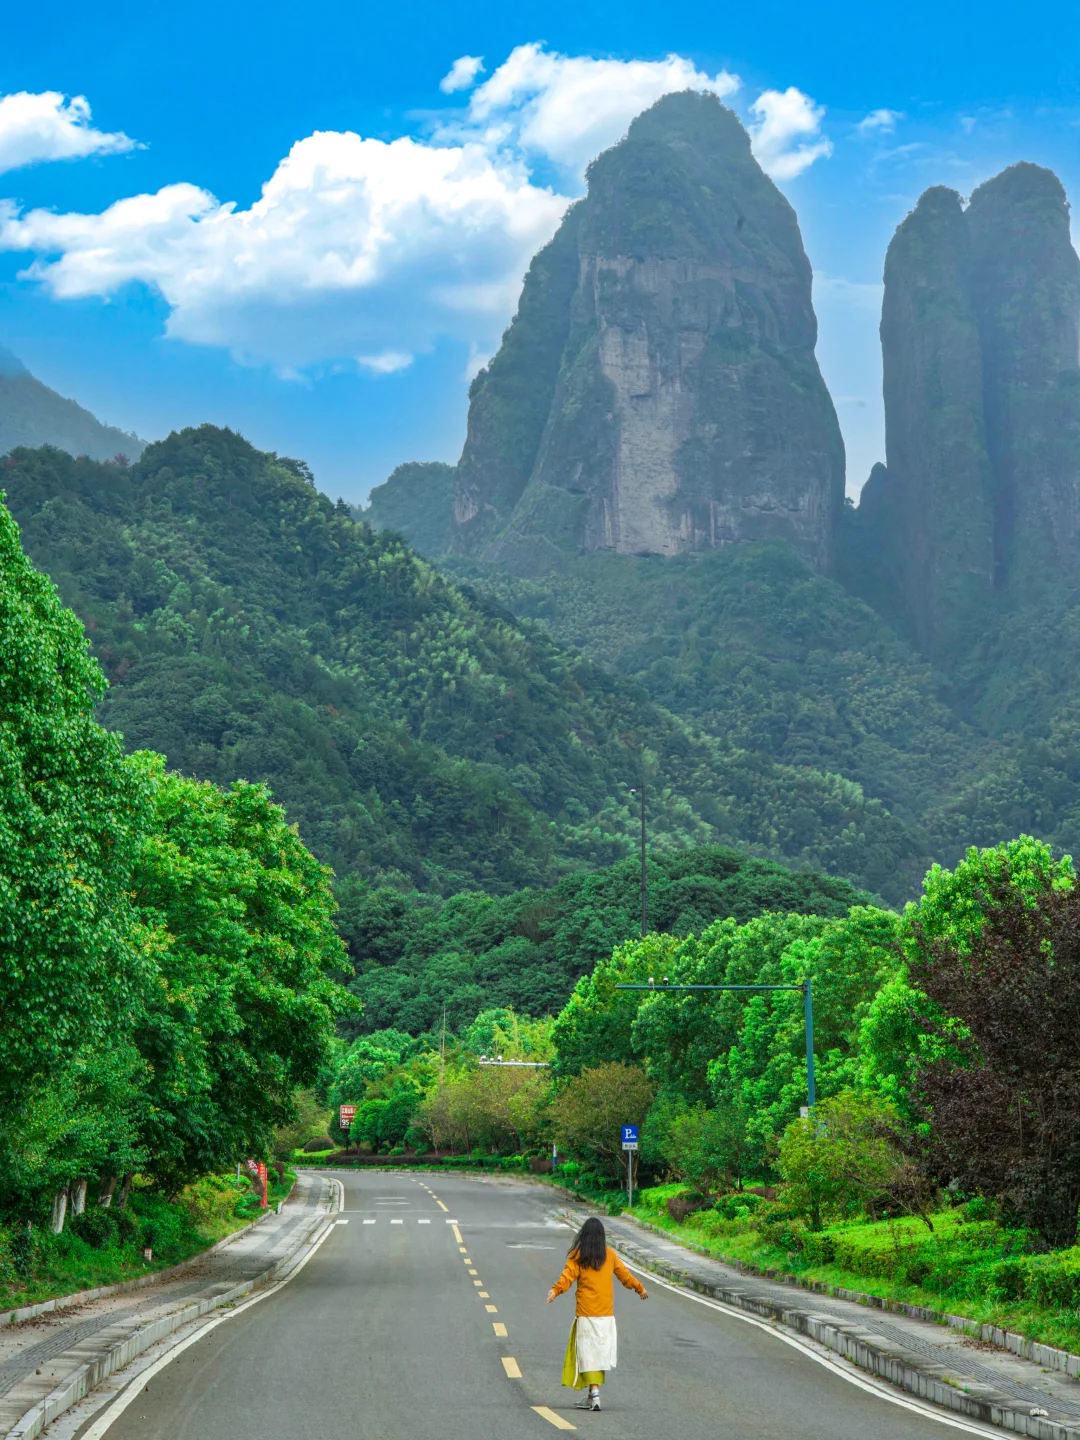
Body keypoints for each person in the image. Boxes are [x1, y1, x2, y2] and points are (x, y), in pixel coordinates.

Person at [547, 1216, 648, 1411]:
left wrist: (555, 1290)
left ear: (583, 1236)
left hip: (586, 1315)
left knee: (588, 1355)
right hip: (605, 1316)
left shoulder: (577, 1256)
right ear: (601, 1237)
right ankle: (589, 1395)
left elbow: (567, 1277)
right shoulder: (609, 1255)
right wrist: (639, 1288)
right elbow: (625, 1275)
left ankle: (594, 1396)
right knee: (597, 1355)